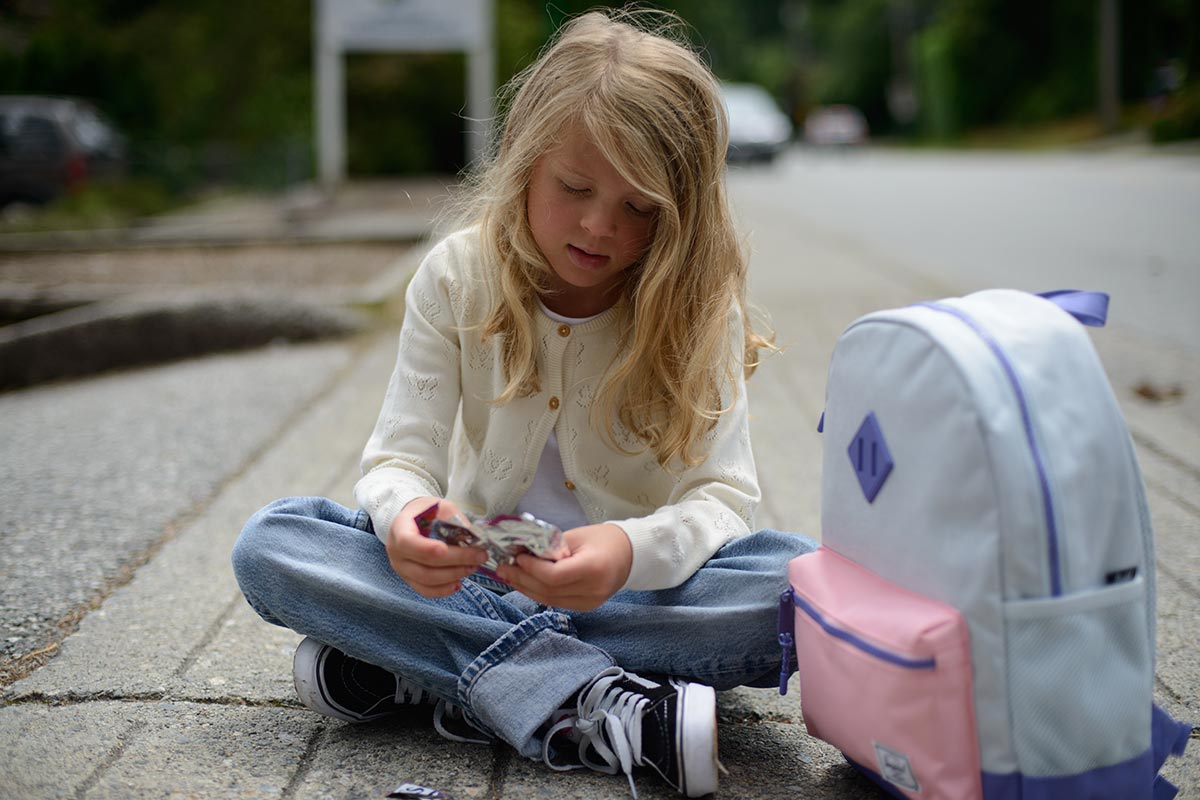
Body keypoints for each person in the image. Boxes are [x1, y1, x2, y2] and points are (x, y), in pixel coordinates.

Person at [232, 8, 814, 798]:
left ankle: (438, 668)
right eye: (574, 187)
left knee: (795, 587)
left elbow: (724, 500)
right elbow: (400, 459)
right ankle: (595, 700)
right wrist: (406, 519)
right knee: (274, 543)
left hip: (632, 592)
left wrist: (624, 554)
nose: (600, 225)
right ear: (524, 160)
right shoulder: (454, 277)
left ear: (682, 211)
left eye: (640, 206)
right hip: (474, 576)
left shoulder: (699, 304)